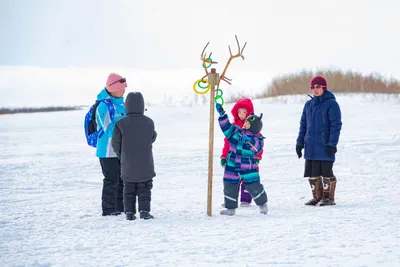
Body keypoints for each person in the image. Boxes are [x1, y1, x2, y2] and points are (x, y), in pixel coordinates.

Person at [296, 76, 342, 206]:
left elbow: (336, 125)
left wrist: (332, 143)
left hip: (325, 144)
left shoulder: (332, 104)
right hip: (310, 145)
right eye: (313, 87)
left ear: (324, 88)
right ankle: (317, 196)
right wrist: (299, 143)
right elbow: (303, 125)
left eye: (318, 87)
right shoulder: (308, 105)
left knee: (326, 171)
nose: (315, 90)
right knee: (313, 172)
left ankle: (328, 198)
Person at [216, 103, 268, 216]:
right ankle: (230, 208)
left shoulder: (257, 139)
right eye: (245, 123)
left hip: (248, 167)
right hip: (232, 166)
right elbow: (227, 129)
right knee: (229, 185)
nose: (245, 124)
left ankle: (262, 203)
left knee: (254, 186)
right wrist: (222, 115)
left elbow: (257, 148)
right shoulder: (237, 133)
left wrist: (249, 140)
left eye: (248, 124)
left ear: (254, 126)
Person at [112, 92, 157, 220]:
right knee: (145, 188)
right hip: (146, 163)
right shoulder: (149, 122)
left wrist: (122, 156)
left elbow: (116, 143)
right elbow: (152, 137)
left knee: (128, 189)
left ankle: (129, 213)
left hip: (128, 163)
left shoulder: (120, 123)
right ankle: (144, 211)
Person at [96, 73, 127, 216]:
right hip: (107, 152)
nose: (124, 90)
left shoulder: (122, 104)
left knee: (122, 179)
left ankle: (120, 207)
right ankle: (108, 210)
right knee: (111, 179)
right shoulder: (103, 106)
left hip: (121, 150)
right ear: (113, 88)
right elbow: (108, 128)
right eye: (122, 87)